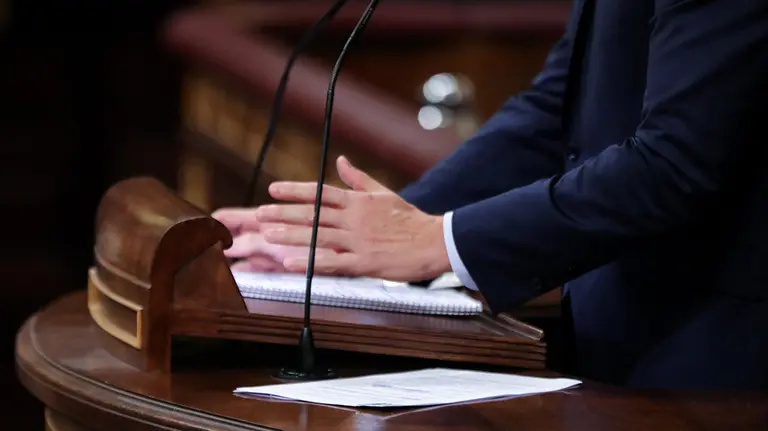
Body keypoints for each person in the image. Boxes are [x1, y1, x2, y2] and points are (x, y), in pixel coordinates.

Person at [213, 0, 768, 390]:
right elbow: (556, 114)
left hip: (715, 367)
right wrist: (367, 237)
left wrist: (443, 240)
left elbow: (673, 164)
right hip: (616, 344)